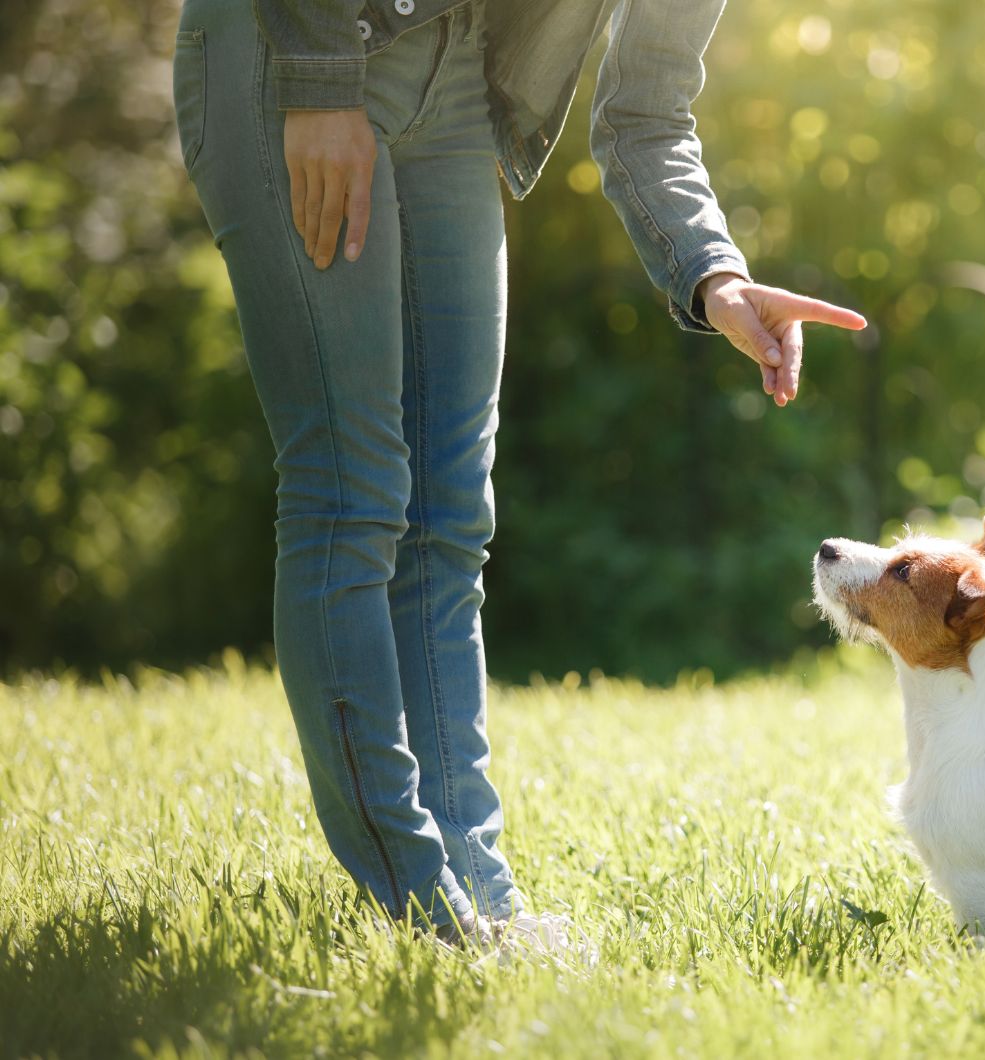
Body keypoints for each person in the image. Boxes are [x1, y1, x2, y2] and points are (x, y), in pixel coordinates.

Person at [171, 0, 866, 952]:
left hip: (452, 81)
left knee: (451, 513)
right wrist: (320, 81)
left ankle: (477, 892)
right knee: (352, 492)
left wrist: (716, 275)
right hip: (297, 48)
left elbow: (646, 114)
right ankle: (416, 897)